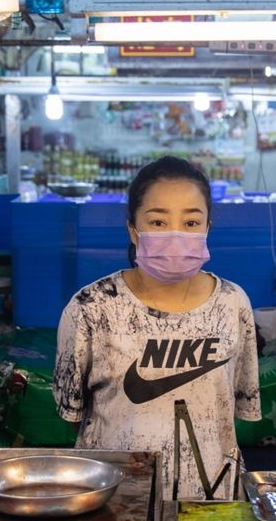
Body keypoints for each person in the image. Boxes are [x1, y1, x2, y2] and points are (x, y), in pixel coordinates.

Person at [53, 156, 261, 499]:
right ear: (133, 229)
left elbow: (232, 409)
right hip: (114, 502)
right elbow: (73, 414)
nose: (177, 235)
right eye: (158, 221)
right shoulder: (90, 307)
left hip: (215, 506)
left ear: (208, 227)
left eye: (191, 222)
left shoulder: (233, 303)